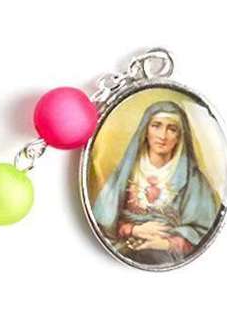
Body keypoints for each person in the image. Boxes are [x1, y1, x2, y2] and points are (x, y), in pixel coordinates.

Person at [91, 100, 220, 266]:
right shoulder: (126, 172)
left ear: (180, 136)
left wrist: (165, 244)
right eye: (156, 126)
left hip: (168, 257)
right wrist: (134, 230)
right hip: (118, 252)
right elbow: (104, 221)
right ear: (145, 130)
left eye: (172, 129)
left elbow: (202, 231)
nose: (162, 136)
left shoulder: (194, 180)